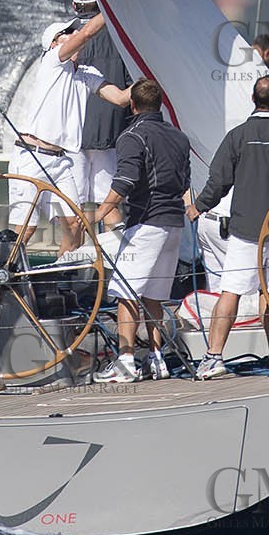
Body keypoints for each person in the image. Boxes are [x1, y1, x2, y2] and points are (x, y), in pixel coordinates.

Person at [187, 76, 269, 379]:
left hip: (246, 229)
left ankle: (213, 357)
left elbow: (219, 180)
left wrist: (200, 206)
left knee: (231, 291)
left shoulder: (238, 135)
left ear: (253, 99)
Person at [89, 78, 191, 383]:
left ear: (132, 104)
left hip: (146, 223)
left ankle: (126, 362)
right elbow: (185, 182)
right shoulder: (179, 137)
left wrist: (98, 214)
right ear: (159, 103)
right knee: (154, 295)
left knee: (126, 293)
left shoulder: (131, 136)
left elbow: (125, 181)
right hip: (174, 223)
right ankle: (156, 359)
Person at [9, 13, 132, 256]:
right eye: (67, 33)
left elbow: (119, 98)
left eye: (74, 31)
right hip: (31, 157)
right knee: (26, 229)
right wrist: (111, 7)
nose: (75, 34)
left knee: (75, 225)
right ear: (54, 43)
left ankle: (61, 275)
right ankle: (5, 277)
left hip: (60, 161)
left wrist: (151, 79)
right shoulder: (53, 61)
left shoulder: (86, 73)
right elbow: (87, 33)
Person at [72, 0, 132, 226]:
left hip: (72, 136)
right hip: (111, 133)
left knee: (72, 209)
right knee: (108, 205)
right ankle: (116, 260)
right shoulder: (122, 36)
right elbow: (131, 84)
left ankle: (73, 260)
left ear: (74, 6)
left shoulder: (63, 38)